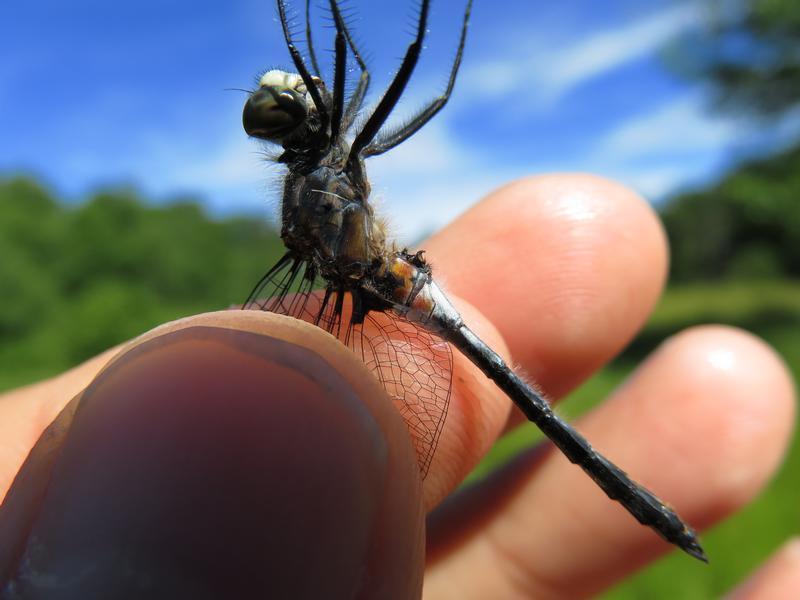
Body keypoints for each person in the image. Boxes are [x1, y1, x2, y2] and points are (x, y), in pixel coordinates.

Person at [0, 175, 796, 598]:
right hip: (377, 287)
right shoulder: (324, 190)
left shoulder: (322, 181)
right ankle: (651, 509)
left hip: (381, 283)